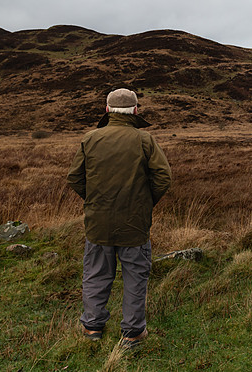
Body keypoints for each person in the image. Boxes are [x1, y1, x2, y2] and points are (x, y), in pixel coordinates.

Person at [67, 88, 172, 349]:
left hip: (98, 223)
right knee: (135, 275)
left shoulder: (90, 139)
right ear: (136, 111)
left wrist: (93, 203)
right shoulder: (144, 139)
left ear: (107, 110)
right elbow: (163, 177)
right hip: (134, 224)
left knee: (96, 274)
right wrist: (145, 204)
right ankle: (132, 333)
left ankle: (92, 327)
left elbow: (74, 178)